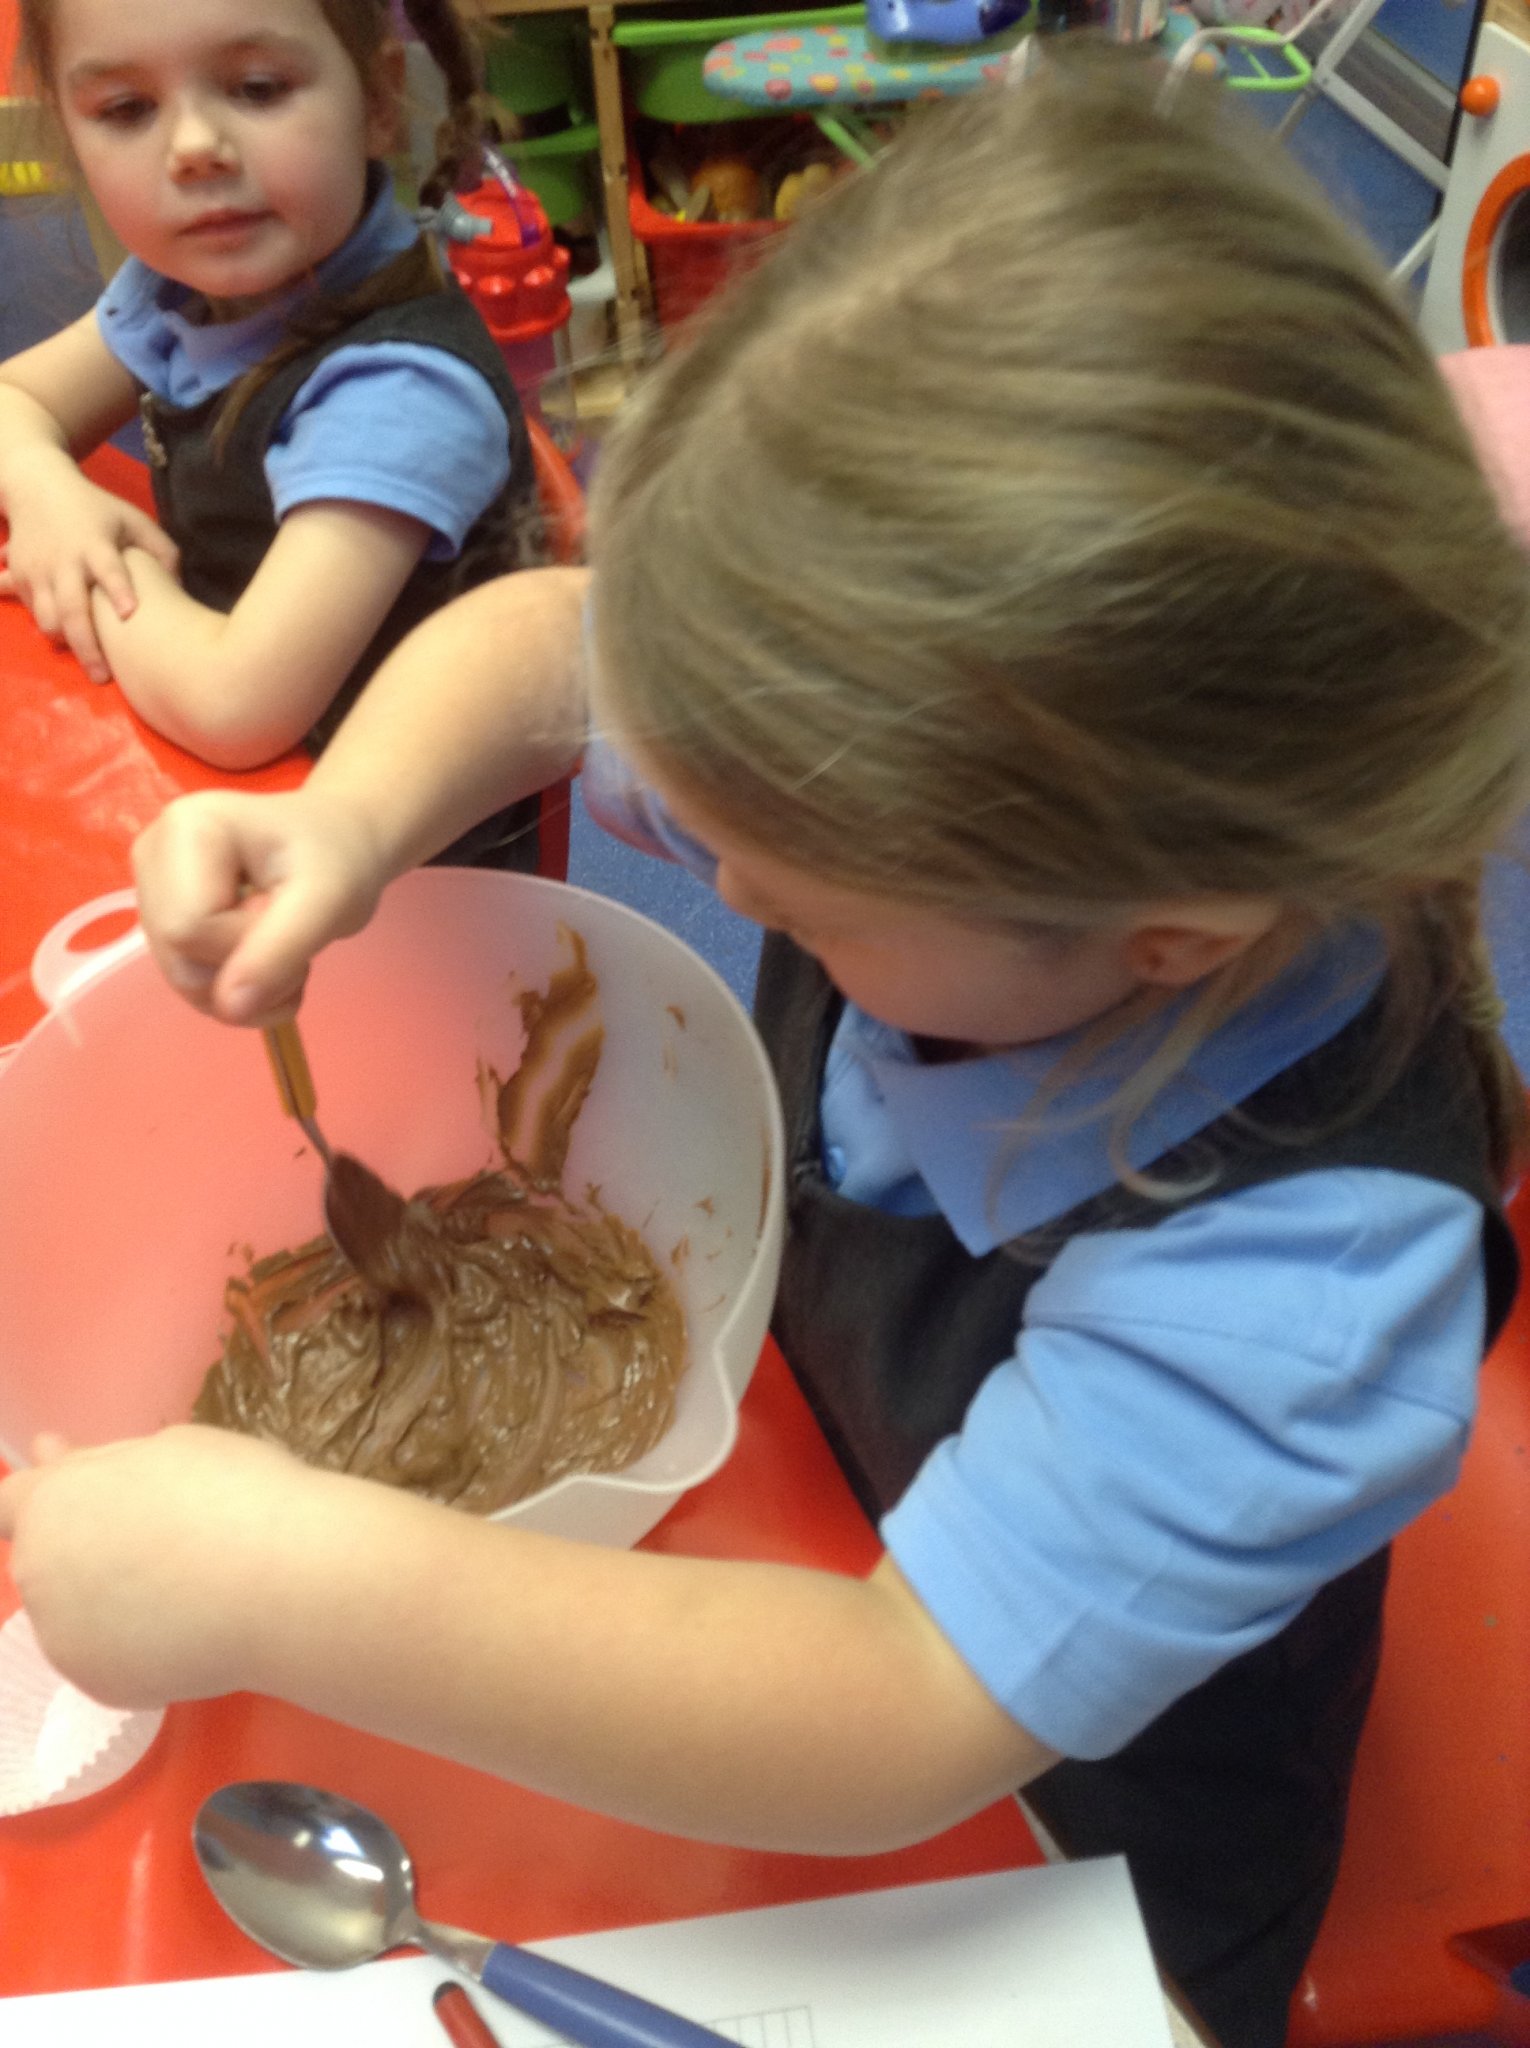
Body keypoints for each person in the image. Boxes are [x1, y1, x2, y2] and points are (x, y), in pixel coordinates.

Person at [4, 46, 1529, 2048]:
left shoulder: (1305, 1285)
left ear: (1165, 930)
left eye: (787, 890)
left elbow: (891, 1710)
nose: (708, 859)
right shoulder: (969, 804)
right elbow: (553, 654)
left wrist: (280, 1572)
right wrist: (350, 819)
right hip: (820, 1494)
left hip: (1061, 1870)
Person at [0, 0, 541, 862]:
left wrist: (96, 564)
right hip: (223, 796)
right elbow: (12, 401)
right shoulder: (176, 289)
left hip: (397, 881)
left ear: (377, 102)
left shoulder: (400, 390)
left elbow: (236, 704)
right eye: (127, 110)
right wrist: (49, 495)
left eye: (256, 88)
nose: (192, 147)